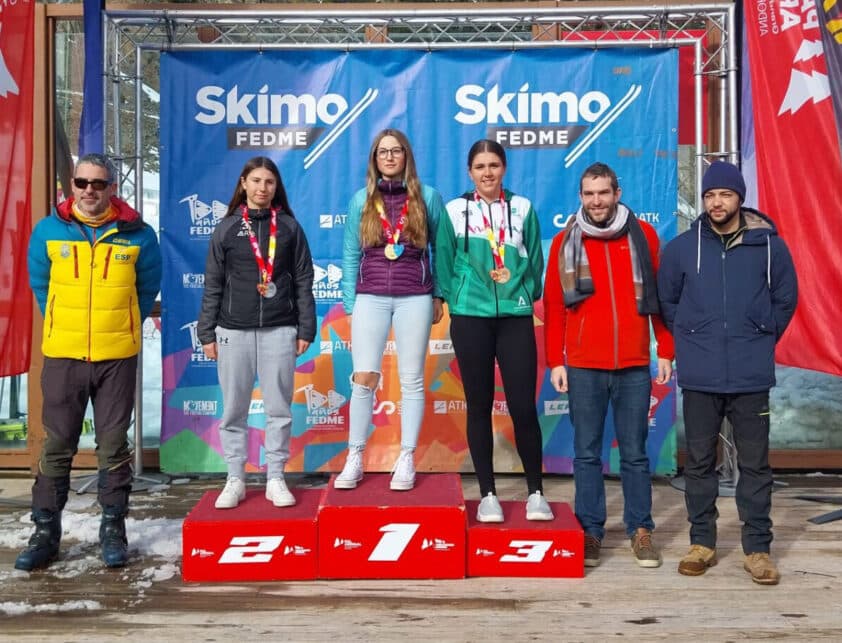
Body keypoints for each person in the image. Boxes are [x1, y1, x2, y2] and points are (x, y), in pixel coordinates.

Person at [17, 153, 162, 571]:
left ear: (112, 187)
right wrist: (66, 322)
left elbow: (147, 287)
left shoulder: (138, 235)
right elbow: (41, 286)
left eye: (98, 183)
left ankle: (113, 530)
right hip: (63, 354)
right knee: (58, 443)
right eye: (82, 183)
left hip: (117, 355)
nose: (89, 191)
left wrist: (118, 324)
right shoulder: (48, 231)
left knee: (114, 445)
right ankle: (45, 531)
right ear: (72, 186)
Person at [658, 160, 797, 585]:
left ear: (740, 198)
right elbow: (668, 302)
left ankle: (758, 549)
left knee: (755, 465)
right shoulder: (682, 248)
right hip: (700, 376)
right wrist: (694, 333)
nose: (717, 202)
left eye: (725, 194)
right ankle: (702, 543)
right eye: (710, 195)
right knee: (699, 464)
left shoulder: (770, 246)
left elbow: (785, 300)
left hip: (751, 376)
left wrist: (759, 332)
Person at [543, 162, 674, 569]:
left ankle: (640, 529)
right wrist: (555, 361)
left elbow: (658, 298)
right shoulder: (565, 241)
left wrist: (665, 349)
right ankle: (590, 531)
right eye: (589, 194)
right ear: (581, 197)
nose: (596, 201)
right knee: (586, 454)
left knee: (635, 453)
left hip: (634, 364)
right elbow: (553, 306)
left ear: (617, 193)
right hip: (583, 366)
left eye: (603, 192)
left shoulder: (644, 235)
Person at [436, 139, 551, 523]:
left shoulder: (522, 208)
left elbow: (535, 263)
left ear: (504, 169)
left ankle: (536, 491)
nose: (487, 172)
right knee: (479, 405)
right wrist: (464, 297)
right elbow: (444, 264)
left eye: (494, 165)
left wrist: (518, 289)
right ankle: (488, 494)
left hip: (515, 317)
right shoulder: (454, 211)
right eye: (480, 166)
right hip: (471, 319)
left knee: (522, 406)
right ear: (470, 172)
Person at [197, 156, 315, 510]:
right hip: (233, 330)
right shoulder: (228, 229)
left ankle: (276, 476)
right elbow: (213, 283)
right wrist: (207, 332)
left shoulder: (290, 228)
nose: (263, 188)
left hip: (280, 329)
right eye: (257, 181)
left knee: (279, 409)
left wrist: (305, 326)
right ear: (244, 183)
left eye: (270, 182)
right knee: (234, 409)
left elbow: (305, 281)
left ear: (276, 188)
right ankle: (235, 478)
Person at [335, 129, 446, 491]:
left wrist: (438, 295)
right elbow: (351, 253)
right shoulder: (361, 200)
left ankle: (407, 457)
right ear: (374, 158)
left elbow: (440, 251)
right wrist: (352, 303)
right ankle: (355, 455)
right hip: (371, 297)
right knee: (364, 378)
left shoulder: (428, 197)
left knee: (412, 379)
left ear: (406, 155)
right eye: (382, 151)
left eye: (396, 150)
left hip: (415, 296)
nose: (389, 156)